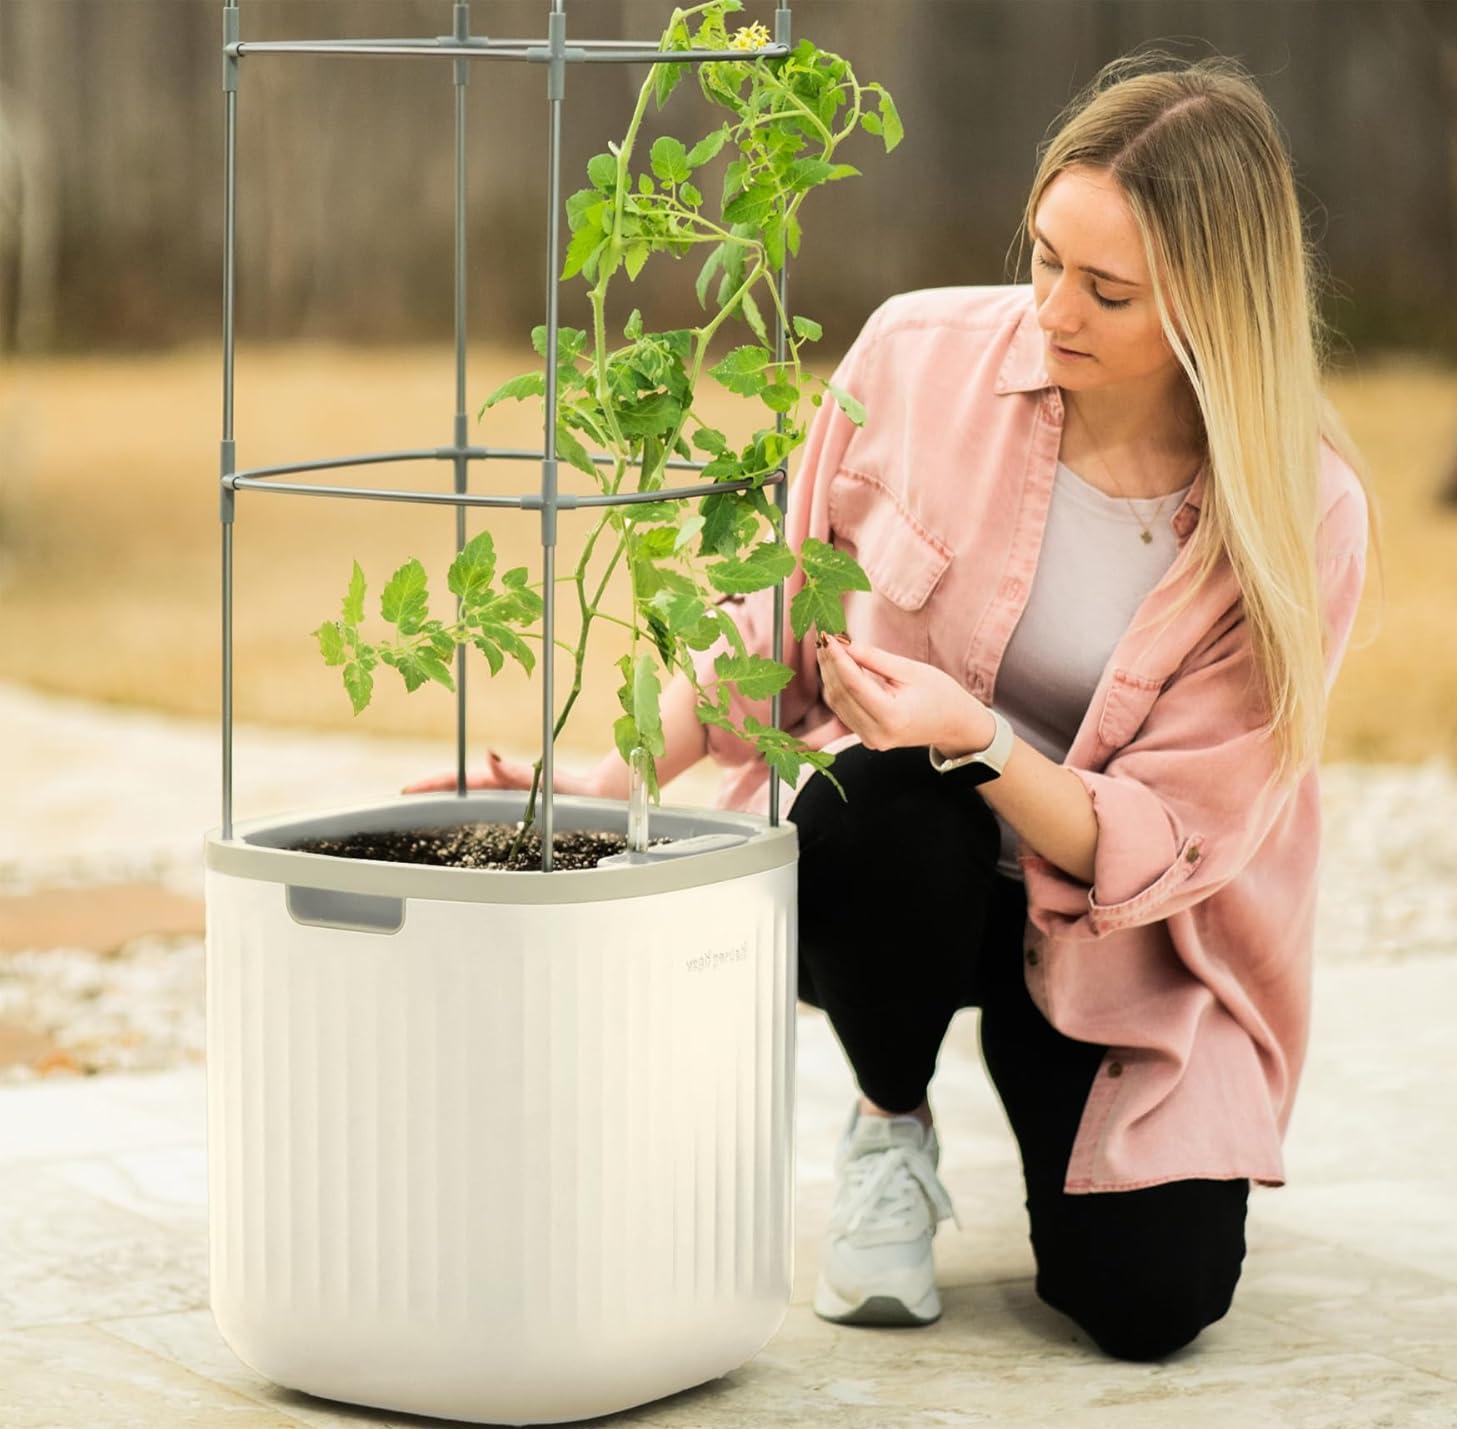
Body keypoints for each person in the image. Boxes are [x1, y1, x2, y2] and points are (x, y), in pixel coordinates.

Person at [406, 51, 1382, 1362]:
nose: (1051, 309)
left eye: (1107, 290)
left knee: (1151, 1305)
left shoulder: (1299, 512)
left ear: (1216, 305)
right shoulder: (920, 358)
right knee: (884, 798)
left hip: (1113, 936)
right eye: (1043, 256)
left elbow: (1172, 836)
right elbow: (787, 616)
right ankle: (889, 1114)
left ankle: (1040, 1087)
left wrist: (978, 738)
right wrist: (617, 772)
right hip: (890, 879)